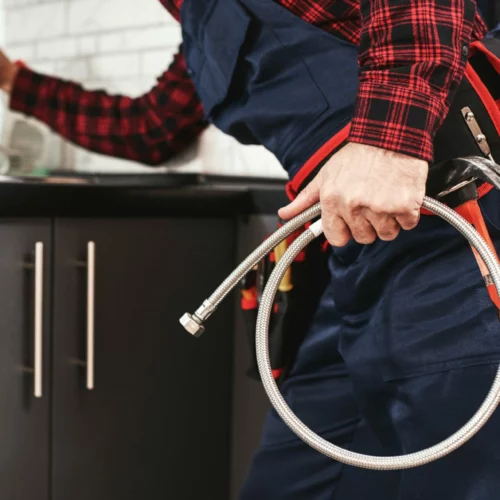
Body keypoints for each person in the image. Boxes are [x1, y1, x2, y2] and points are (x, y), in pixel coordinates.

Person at [1, 1, 500, 498]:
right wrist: (13, 81)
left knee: (461, 478)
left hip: (454, 228)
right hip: (355, 259)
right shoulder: (199, 19)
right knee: (288, 482)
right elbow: (152, 127)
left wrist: (389, 141)